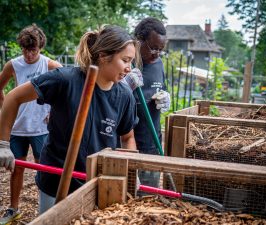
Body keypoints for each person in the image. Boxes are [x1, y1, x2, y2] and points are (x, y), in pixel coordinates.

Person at [0, 25, 142, 214]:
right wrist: (3, 143)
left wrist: (131, 170)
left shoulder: (124, 95)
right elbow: (13, 97)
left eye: (131, 61)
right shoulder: (65, 80)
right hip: (56, 180)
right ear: (103, 55)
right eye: (125, 60)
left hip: (95, 182)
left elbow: (127, 137)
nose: (129, 68)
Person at [0, 24, 62, 224]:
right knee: (16, 167)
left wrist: (53, 111)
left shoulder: (50, 65)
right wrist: (5, 108)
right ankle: (13, 208)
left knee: (44, 169)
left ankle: (45, 212)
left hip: (40, 128)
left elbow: (66, 90)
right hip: (18, 126)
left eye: (32, 50)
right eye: (25, 50)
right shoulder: (13, 65)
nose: (28, 55)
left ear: (40, 47)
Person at [130, 17, 170, 190]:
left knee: (148, 203)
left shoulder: (158, 63)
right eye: (153, 47)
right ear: (139, 40)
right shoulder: (126, 63)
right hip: (126, 146)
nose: (157, 54)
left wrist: (165, 96)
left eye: (161, 49)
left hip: (152, 144)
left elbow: (162, 86)